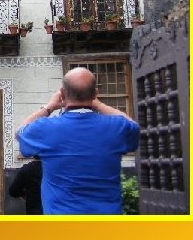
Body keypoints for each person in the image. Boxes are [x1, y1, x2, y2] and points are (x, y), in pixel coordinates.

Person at [15, 67, 139, 214]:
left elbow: (19, 132)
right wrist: (99, 105)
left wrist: (48, 107)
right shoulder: (115, 127)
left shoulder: (45, 128)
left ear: (62, 94)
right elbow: (133, 127)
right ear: (95, 94)